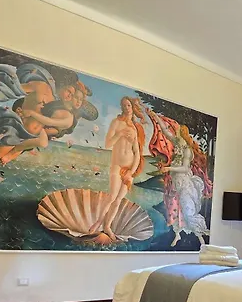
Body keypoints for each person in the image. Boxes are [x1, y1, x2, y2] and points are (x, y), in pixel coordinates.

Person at [147, 108, 210, 247]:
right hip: (175, 182)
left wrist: (168, 168)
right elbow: (165, 130)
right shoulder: (177, 143)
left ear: (183, 134)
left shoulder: (187, 150)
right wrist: (155, 116)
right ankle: (177, 234)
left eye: (177, 131)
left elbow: (185, 168)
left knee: (188, 211)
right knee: (173, 208)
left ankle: (200, 238)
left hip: (184, 183)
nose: (175, 133)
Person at [88, 97, 146, 241]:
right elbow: (108, 144)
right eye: (124, 105)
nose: (126, 108)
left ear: (132, 107)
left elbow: (137, 153)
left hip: (129, 169)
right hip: (117, 165)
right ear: (121, 107)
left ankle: (107, 226)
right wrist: (120, 134)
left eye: (128, 105)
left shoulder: (135, 128)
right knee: (112, 196)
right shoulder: (116, 122)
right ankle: (98, 222)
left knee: (119, 199)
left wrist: (131, 173)